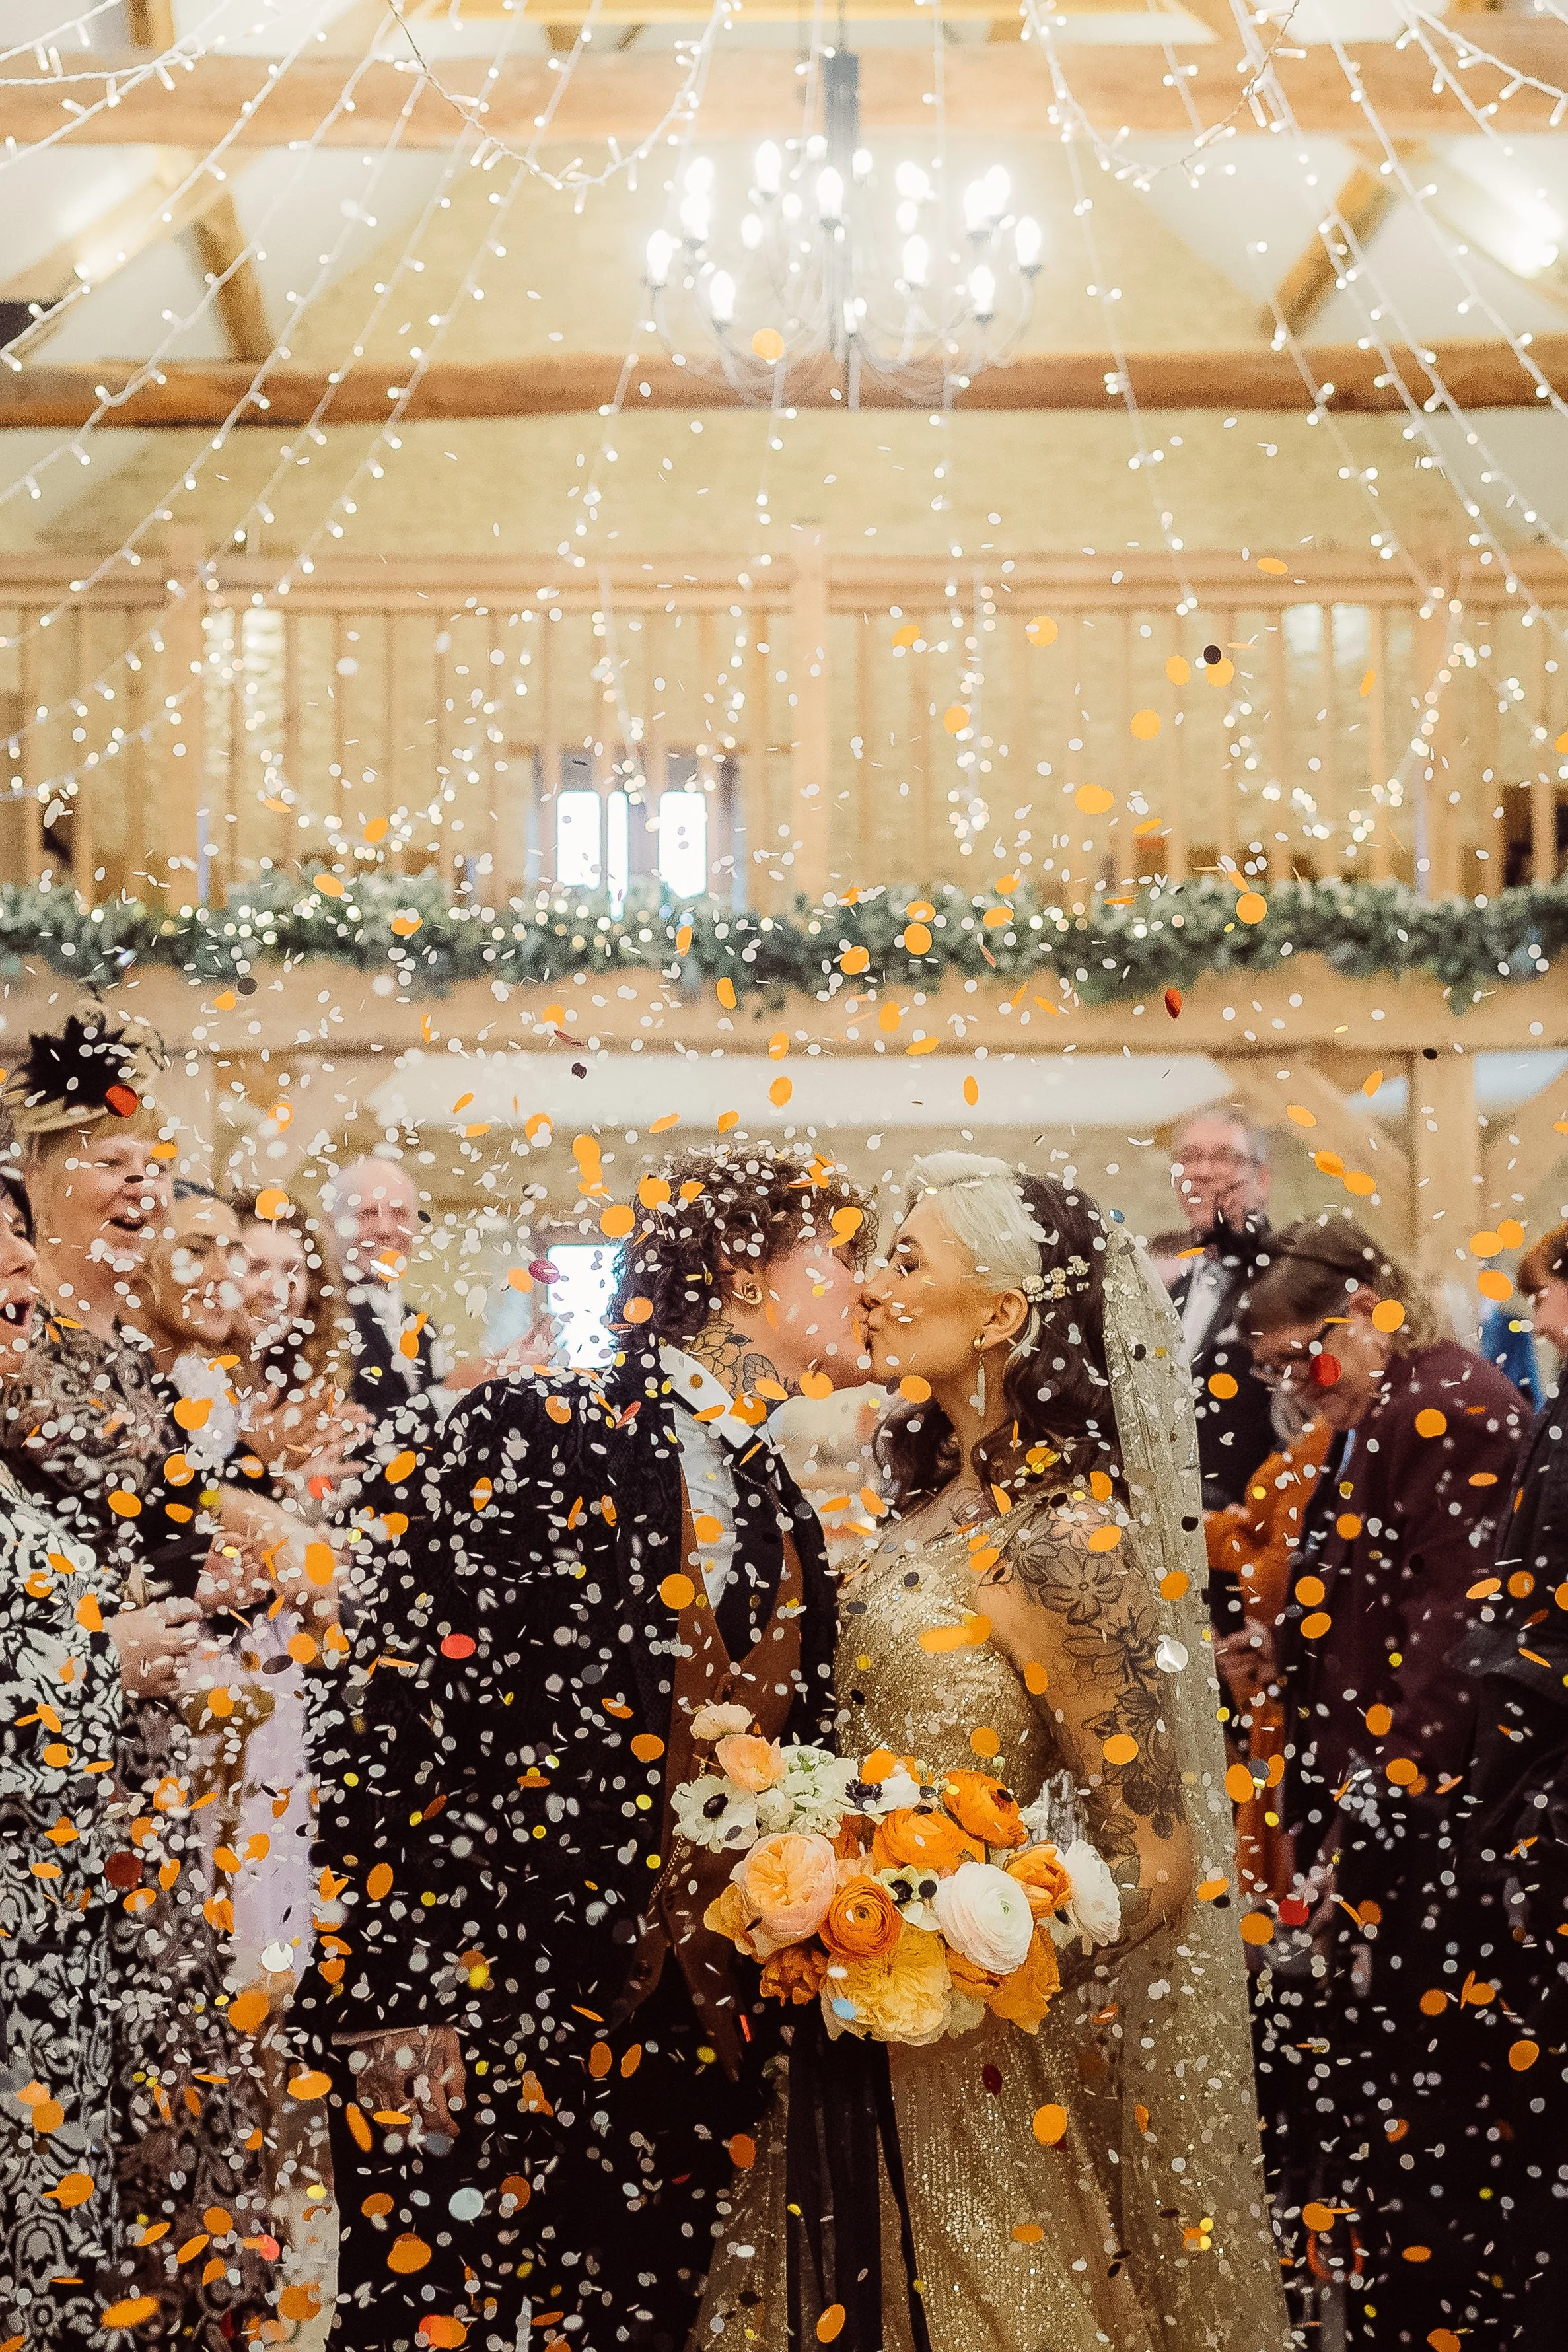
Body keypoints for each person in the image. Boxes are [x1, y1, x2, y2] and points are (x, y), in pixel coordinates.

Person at [697, 1152, 1289, 2352]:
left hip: (979, 2059)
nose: (868, 1283)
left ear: (1002, 1313)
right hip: (844, 2031)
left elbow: (1159, 1863)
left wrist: (954, 1925)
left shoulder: (1065, 1542)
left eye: (906, 1260)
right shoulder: (915, 1508)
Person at [303, 1142, 873, 2352]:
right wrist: (393, 1992)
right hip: (491, 2012)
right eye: (840, 1252)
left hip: (686, 2041)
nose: (866, 1285)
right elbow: (393, 1704)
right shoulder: (534, 1425)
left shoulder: (786, 1511)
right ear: (738, 1266)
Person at [0, 1011, 277, 2345]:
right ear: (41, 1167)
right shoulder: (19, 1344)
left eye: (152, 1154)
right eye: (112, 1154)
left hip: (159, 1775)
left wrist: (224, 1576)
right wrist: (97, 1638)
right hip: (55, 1774)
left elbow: (156, 1526)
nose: (142, 1180)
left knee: (174, 2067)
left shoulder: (132, 1355)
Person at [1243, 1215, 1526, 2348]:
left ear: (1366, 1312)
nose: (1300, 1392)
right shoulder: (1387, 1404)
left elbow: (1456, 1630)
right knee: (1380, 2084)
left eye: (1304, 1360)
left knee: (1429, 2094)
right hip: (1384, 1793)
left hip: (1433, 1814)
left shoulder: (1443, 1402)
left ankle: (1435, 2308)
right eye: (1271, 1376)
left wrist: (1385, 1792)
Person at [0, 1173, 204, 2351]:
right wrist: (98, 1662)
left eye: (24, 1246)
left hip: (52, 1950)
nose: (24, 1272)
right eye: (1, 1252)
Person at [1168, 1108, 1279, 1532]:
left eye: (1224, 1157)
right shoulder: (1169, 1293)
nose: (1203, 1170)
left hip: (1253, 1530)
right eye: (1190, 1156)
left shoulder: (1282, 1277)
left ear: (1262, 1179)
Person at [330, 1157, 448, 1432]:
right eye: (368, 1213)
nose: (385, 1230)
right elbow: (345, 1429)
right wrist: (449, 1394)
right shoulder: (324, 1319)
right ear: (334, 1224)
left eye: (398, 1214)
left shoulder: (422, 1325)